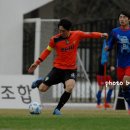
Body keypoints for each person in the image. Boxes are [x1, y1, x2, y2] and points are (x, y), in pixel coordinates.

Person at [28, 18, 108, 115]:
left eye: (63, 31)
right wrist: (37, 62)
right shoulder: (54, 39)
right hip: (57, 69)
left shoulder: (77, 34)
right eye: (59, 30)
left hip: (70, 70)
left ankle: (57, 109)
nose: (61, 32)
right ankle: (40, 82)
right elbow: (47, 51)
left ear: (69, 30)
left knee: (69, 87)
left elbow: (89, 34)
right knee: (42, 89)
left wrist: (101, 35)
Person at [105, 10, 130, 114]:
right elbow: (110, 44)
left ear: (129, 19)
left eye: (124, 17)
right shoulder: (115, 31)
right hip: (120, 64)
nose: (122, 19)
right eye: (120, 17)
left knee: (125, 82)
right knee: (123, 87)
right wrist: (108, 47)